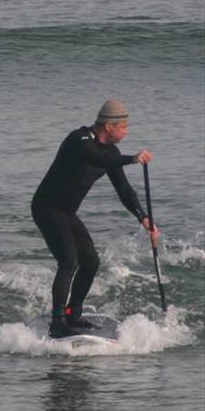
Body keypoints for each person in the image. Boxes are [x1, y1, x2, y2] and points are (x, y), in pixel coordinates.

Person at [31, 99, 160, 338]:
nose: (127, 131)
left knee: (90, 261)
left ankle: (73, 313)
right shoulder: (79, 140)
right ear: (109, 126)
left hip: (67, 212)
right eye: (123, 127)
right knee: (69, 260)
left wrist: (143, 218)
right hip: (46, 207)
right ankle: (57, 322)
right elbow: (96, 158)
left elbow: (124, 190)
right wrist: (132, 159)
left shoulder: (111, 153)